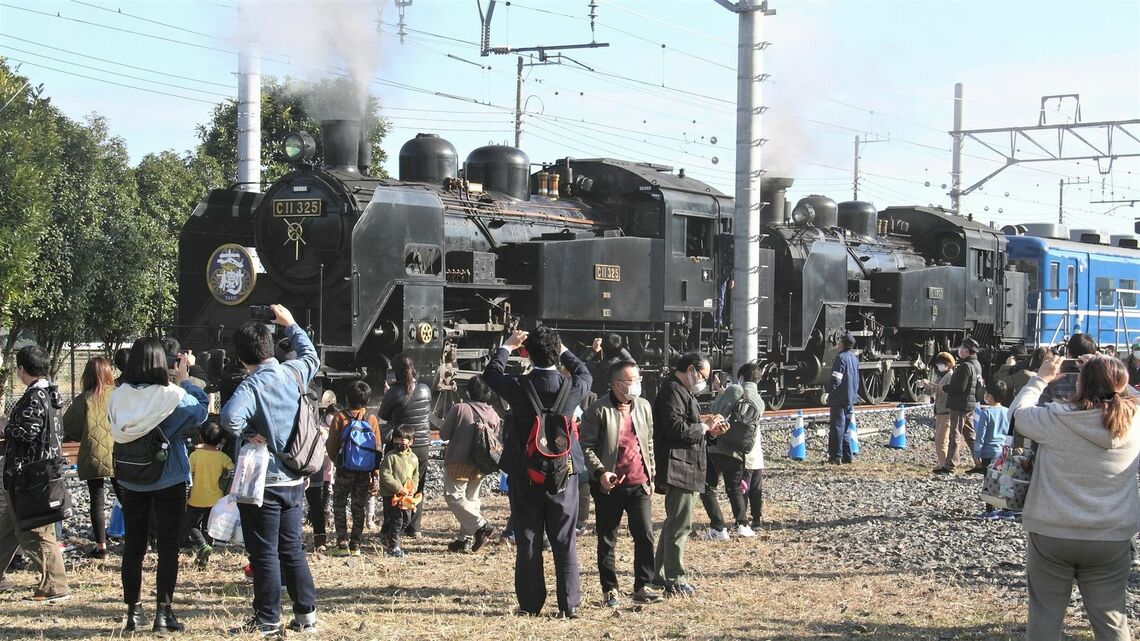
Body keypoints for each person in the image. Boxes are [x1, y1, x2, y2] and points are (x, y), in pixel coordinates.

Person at [1010, 353, 1140, 641]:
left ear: (1080, 383)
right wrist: (1114, 376)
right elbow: (1130, 397)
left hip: (1052, 531)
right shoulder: (1134, 422)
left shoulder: (1054, 418)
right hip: (1111, 535)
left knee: (1045, 612)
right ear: (1123, 384)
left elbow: (1017, 413)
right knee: (1111, 616)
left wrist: (1042, 378)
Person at [220, 304, 320, 636]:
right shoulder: (293, 372)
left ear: (242, 357)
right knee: (291, 548)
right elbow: (311, 356)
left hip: (262, 481)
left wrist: (250, 434)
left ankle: (268, 619)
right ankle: (306, 615)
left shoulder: (251, 385)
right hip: (294, 477)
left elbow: (229, 418)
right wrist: (291, 323)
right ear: (268, 346)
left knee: (264, 553)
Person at [482, 327, 592, 618]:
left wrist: (507, 345)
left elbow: (491, 374)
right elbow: (585, 372)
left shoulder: (518, 385)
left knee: (529, 537)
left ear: (525, 352)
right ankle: (569, 605)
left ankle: (530, 605)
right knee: (564, 540)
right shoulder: (573, 386)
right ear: (557, 354)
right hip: (563, 472)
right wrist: (562, 347)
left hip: (525, 471)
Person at [108, 338, 208, 632]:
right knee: (167, 548)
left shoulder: (117, 396)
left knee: (133, 547)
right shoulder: (171, 396)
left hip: (130, 478)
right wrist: (186, 379)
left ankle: (132, 613)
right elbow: (200, 410)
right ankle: (163, 614)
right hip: (169, 478)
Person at [579, 360, 661, 607]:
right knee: (607, 538)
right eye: (630, 381)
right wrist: (601, 472)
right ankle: (610, 590)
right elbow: (586, 447)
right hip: (610, 486)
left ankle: (643, 585)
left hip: (640, 484)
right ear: (615, 384)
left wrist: (652, 476)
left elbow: (648, 443)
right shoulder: (597, 410)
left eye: (638, 380)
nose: (636, 385)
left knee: (645, 535)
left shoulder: (644, 406)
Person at [651, 353, 728, 597]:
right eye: (703, 376)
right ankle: (675, 579)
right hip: (679, 467)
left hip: (687, 466)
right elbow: (676, 428)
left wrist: (711, 430)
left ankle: (661, 574)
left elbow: (689, 425)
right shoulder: (672, 391)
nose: (703, 381)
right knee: (679, 525)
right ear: (691, 369)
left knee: (674, 522)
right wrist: (705, 427)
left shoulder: (683, 392)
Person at [0, 345, 70, 603]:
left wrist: (6, 427)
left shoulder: (34, 397)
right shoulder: (51, 394)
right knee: (7, 527)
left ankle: (56, 585)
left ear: (21, 369)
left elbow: (28, 432)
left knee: (35, 531)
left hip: (29, 476)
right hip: (41, 473)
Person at [700, 361, 765, 540]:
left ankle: (718, 528)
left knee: (707, 488)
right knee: (734, 488)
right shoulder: (760, 401)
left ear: (741, 377)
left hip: (718, 446)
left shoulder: (735, 389)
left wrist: (722, 393)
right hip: (739, 451)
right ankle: (742, 525)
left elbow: (716, 410)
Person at [61, 356, 116, 559]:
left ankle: (101, 547)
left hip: (93, 453)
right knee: (127, 499)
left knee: (97, 501)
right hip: (118, 453)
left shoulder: (85, 398)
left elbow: (69, 426)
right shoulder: (118, 395)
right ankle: (138, 542)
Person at [439, 377, 500, 553]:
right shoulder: (494, 414)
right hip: (481, 463)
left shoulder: (460, 408)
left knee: (454, 496)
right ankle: (463, 540)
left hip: (458, 462)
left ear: (468, 391)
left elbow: (443, 434)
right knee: (472, 499)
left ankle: (481, 526)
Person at [326, 380, 383, 556]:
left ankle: (342, 543)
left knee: (340, 505)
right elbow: (377, 448)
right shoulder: (371, 418)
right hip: (364, 472)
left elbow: (331, 445)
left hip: (345, 470)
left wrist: (338, 461)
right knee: (359, 507)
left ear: (347, 398)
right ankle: (356, 544)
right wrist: (374, 472)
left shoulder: (340, 417)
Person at [379, 355, 432, 539]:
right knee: (417, 485)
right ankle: (414, 527)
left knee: (393, 486)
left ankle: (392, 526)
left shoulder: (394, 392)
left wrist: (388, 391)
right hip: (422, 443)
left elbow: (384, 415)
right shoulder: (425, 389)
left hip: (399, 444)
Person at [184, 420, 233, 568]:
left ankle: (201, 546)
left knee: (190, 525)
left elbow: (187, 475)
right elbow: (232, 469)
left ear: (200, 436)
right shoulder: (222, 457)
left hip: (195, 500)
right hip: (215, 500)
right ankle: (204, 559)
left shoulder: (194, 456)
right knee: (208, 528)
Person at [377, 425, 420, 558]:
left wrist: (412, 488)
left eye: (402, 441)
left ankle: (388, 536)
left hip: (406, 497)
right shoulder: (390, 457)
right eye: (396, 440)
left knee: (406, 519)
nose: (399, 443)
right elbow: (385, 476)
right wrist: (399, 488)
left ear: (411, 442)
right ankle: (394, 546)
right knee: (397, 519)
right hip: (391, 495)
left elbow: (415, 475)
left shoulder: (413, 458)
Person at [944, 337, 983, 473]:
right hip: (970, 404)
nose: (959, 349)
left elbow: (959, 388)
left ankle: (950, 465)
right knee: (970, 435)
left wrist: (945, 388)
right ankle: (979, 462)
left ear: (967, 350)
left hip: (960, 404)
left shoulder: (965, 366)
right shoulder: (977, 364)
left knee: (955, 434)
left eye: (962, 347)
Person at [973, 380, 1010, 521]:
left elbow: (980, 436)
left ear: (990, 396)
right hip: (1004, 452)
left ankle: (990, 510)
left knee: (989, 482)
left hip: (989, 452)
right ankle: (1006, 510)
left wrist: (977, 453)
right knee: (1004, 481)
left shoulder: (986, 413)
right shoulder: (1007, 412)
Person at [306, 391, 337, 552]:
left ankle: (294, 539)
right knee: (315, 500)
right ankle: (320, 539)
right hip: (313, 461)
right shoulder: (318, 424)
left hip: (295, 460)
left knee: (295, 502)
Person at [826, 332, 859, 465]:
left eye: (839, 342)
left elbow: (836, 378)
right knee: (845, 428)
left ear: (843, 344)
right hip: (851, 398)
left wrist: (829, 391)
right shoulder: (854, 358)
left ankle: (835, 456)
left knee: (837, 428)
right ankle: (847, 456)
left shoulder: (841, 358)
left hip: (839, 398)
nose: (837, 344)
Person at [921, 352, 956, 474]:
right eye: (938, 363)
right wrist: (925, 386)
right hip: (940, 411)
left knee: (941, 440)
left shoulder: (950, 376)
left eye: (942, 363)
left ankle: (946, 465)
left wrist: (931, 385)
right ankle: (943, 463)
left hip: (946, 411)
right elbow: (934, 389)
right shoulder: (941, 376)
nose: (939, 366)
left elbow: (944, 390)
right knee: (941, 439)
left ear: (948, 364)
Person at [1039, 333, 1098, 405]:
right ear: (1094, 354)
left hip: (1057, 414)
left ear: (1068, 352)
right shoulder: (1104, 382)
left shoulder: (1052, 380)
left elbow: (1041, 406)